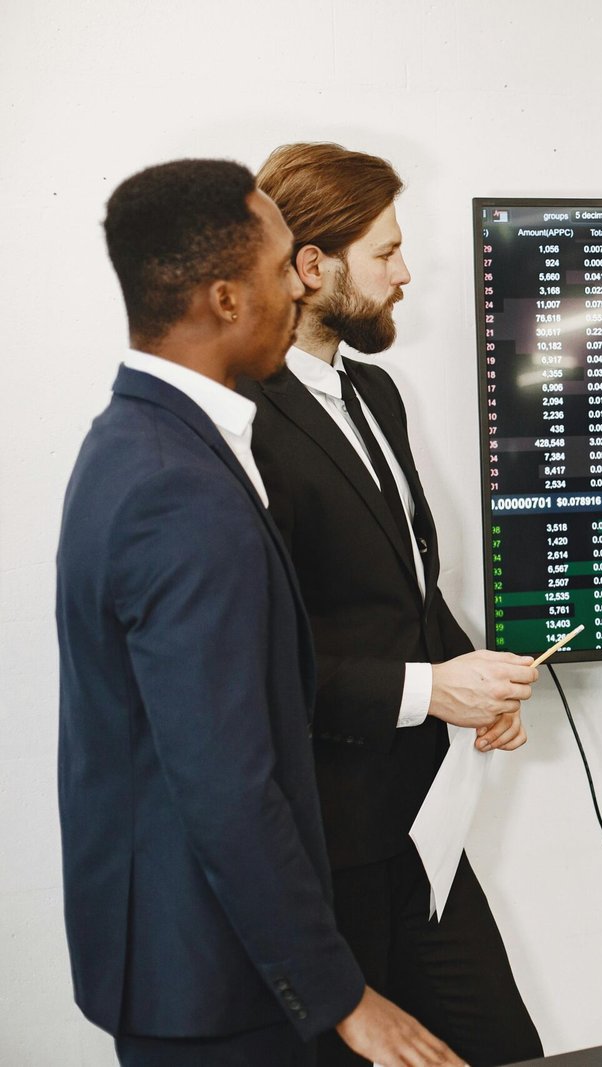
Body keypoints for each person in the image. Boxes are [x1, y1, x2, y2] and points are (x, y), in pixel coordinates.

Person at [57, 159, 464, 1066]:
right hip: (211, 971)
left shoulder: (141, 439)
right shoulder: (178, 491)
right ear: (226, 296)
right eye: (286, 267)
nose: (302, 284)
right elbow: (225, 781)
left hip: (204, 955)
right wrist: (345, 995)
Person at [238, 142, 544, 1066]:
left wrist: (475, 677)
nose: (408, 274)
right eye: (386, 254)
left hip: (420, 832)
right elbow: (260, 661)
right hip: (324, 848)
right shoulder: (240, 418)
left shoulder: (374, 391)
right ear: (311, 267)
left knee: (506, 1047)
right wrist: (427, 691)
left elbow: (408, 592)